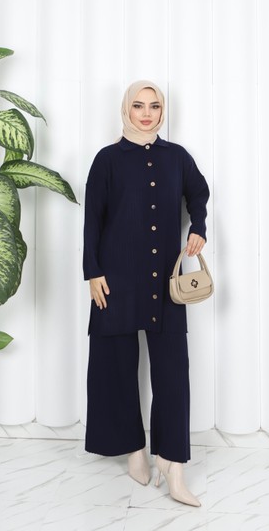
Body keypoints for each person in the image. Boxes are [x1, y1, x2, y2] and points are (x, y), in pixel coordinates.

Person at [83, 80, 210, 507]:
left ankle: (172, 466)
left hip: (164, 282)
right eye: (138, 105)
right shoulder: (107, 160)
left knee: (173, 375)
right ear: (126, 109)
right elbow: (93, 220)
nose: (146, 113)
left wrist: (198, 228)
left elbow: (199, 192)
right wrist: (92, 272)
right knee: (116, 368)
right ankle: (134, 450)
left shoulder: (177, 157)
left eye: (154, 106)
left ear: (162, 111)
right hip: (116, 279)